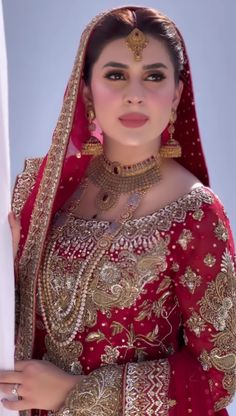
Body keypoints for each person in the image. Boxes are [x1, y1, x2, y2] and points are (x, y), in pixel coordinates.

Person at [1, 5, 236, 416]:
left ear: (177, 93)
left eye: (154, 77)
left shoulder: (194, 213)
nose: (135, 94)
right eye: (116, 75)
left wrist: (77, 393)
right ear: (87, 91)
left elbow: (221, 373)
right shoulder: (44, 194)